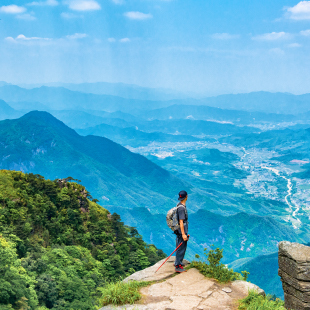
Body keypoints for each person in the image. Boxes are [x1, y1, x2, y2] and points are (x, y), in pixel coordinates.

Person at [174, 190, 189, 273]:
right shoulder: (181, 208)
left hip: (180, 230)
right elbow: (181, 221)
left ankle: (178, 262)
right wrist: (183, 234)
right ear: (186, 196)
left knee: (179, 246)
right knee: (181, 247)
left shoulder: (179, 205)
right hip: (181, 231)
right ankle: (178, 266)